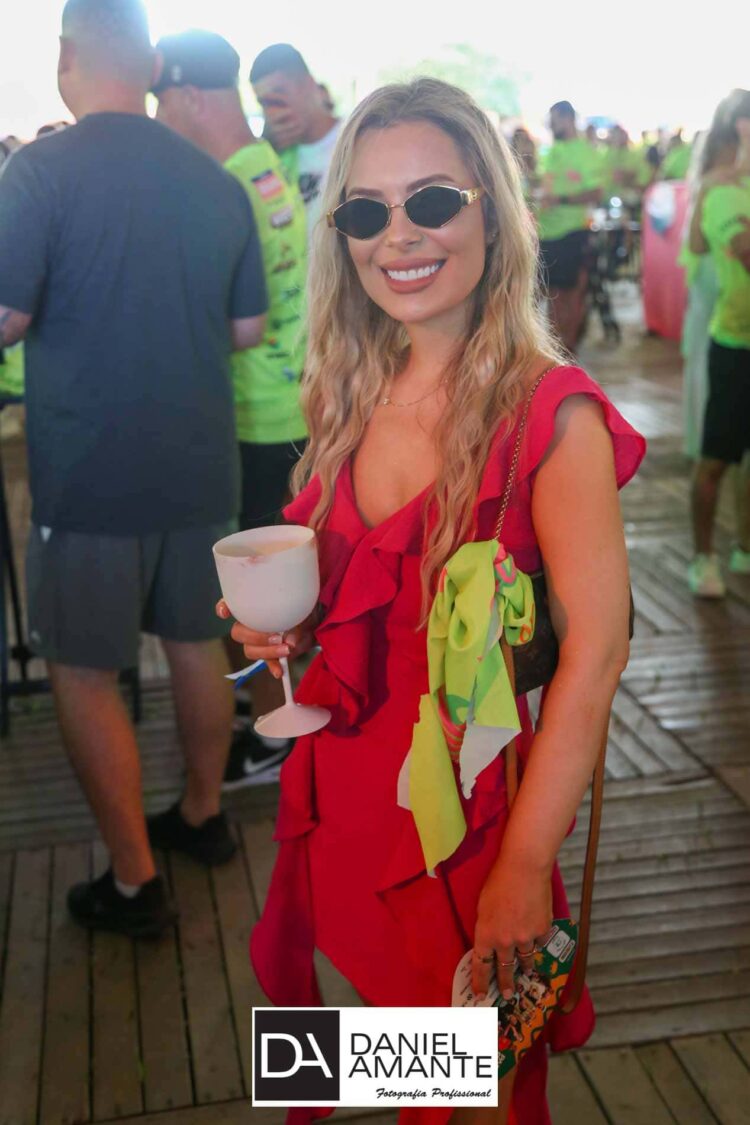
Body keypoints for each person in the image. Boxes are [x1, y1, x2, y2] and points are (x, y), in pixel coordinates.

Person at [223, 77, 645, 1123]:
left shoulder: (551, 417)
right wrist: (284, 624)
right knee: (365, 1046)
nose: (397, 236)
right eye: (366, 212)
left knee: (481, 1086)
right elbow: (350, 598)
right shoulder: (351, 388)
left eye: (433, 201)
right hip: (343, 795)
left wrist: (526, 862)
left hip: (466, 823)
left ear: (492, 215)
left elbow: (596, 655)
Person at [0, 0, 268, 936]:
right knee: (196, 643)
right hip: (201, 461)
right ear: (152, 65)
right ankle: (203, 813)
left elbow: (6, 319)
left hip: (91, 472)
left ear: (66, 56)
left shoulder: (39, 172)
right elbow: (248, 329)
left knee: (83, 668)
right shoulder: (218, 183)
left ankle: (133, 879)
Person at [154, 28, 308, 787]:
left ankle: (276, 737)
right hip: (286, 408)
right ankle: (272, 721)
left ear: (186, 96)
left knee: (253, 596)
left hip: (253, 417)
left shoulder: (227, 186)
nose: (155, 117)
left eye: (157, 99)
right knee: (267, 588)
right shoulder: (263, 167)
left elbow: (232, 319)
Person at [688, 89, 750, 597]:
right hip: (735, 343)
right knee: (715, 458)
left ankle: (744, 547)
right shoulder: (722, 190)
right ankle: (703, 557)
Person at [249, 43, 342, 238]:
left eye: (279, 93)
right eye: (264, 102)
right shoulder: (271, 155)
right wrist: (267, 147)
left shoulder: (355, 139)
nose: (273, 111)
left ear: (308, 84)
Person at [537, 100, 603, 352]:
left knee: (571, 294)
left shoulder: (585, 152)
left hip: (573, 231)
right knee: (552, 295)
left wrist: (561, 200)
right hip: (547, 231)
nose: (551, 125)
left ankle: (569, 350)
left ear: (568, 119)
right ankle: (555, 351)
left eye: (554, 120)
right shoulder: (553, 150)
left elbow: (596, 192)